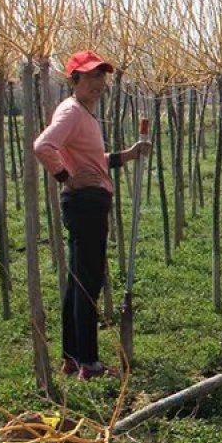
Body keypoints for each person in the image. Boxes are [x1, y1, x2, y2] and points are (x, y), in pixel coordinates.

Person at [34, 50, 151, 380]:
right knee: (88, 283)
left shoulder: (84, 113)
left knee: (78, 282)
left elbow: (92, 160)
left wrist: (126, 155)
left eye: (102, 76)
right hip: (85, 204)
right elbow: (43, 146)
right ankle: (90, 363)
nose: (99, 83)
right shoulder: (72, 112)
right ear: (75, 80)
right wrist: (66, 178)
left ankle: (72, 358)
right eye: (90, 76)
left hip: (88, 202)